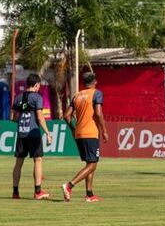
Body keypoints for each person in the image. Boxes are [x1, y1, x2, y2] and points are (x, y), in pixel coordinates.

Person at [61, 72, 108, 203]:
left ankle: (89, 194)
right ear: (95, 82)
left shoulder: (77, 95)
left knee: (90, 163)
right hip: (90, 133)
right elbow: (98, 113)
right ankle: (69, 185)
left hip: (79, 133)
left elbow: (66, 115)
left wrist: (73, 128)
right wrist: (104, 130)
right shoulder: (96, 93)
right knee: (93, 164)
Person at [11, 73, 53, 200]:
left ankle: (15, 192)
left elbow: (13, 117)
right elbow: (40, 118)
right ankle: (38, 192)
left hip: (21, 133)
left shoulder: (18, 97)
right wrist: (47, 133)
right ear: (36, 85)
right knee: (38, 160)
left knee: (19, 163)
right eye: (39, 85)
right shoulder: (37, 97)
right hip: (33, 133)